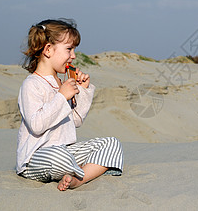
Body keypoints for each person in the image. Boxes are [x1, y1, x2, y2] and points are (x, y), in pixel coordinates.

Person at [16, 18, 123, 191]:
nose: (73, 56)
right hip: (37, 157)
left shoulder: (62, 82)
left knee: (111, 144)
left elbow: (76, 121)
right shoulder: (32, 84)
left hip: (66, 151)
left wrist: (83, 91)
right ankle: (83, 170)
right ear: (48, 50)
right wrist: (61, 96)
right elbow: (36, 125)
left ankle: (77, 180)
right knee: (60, 156)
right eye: (69, 49)